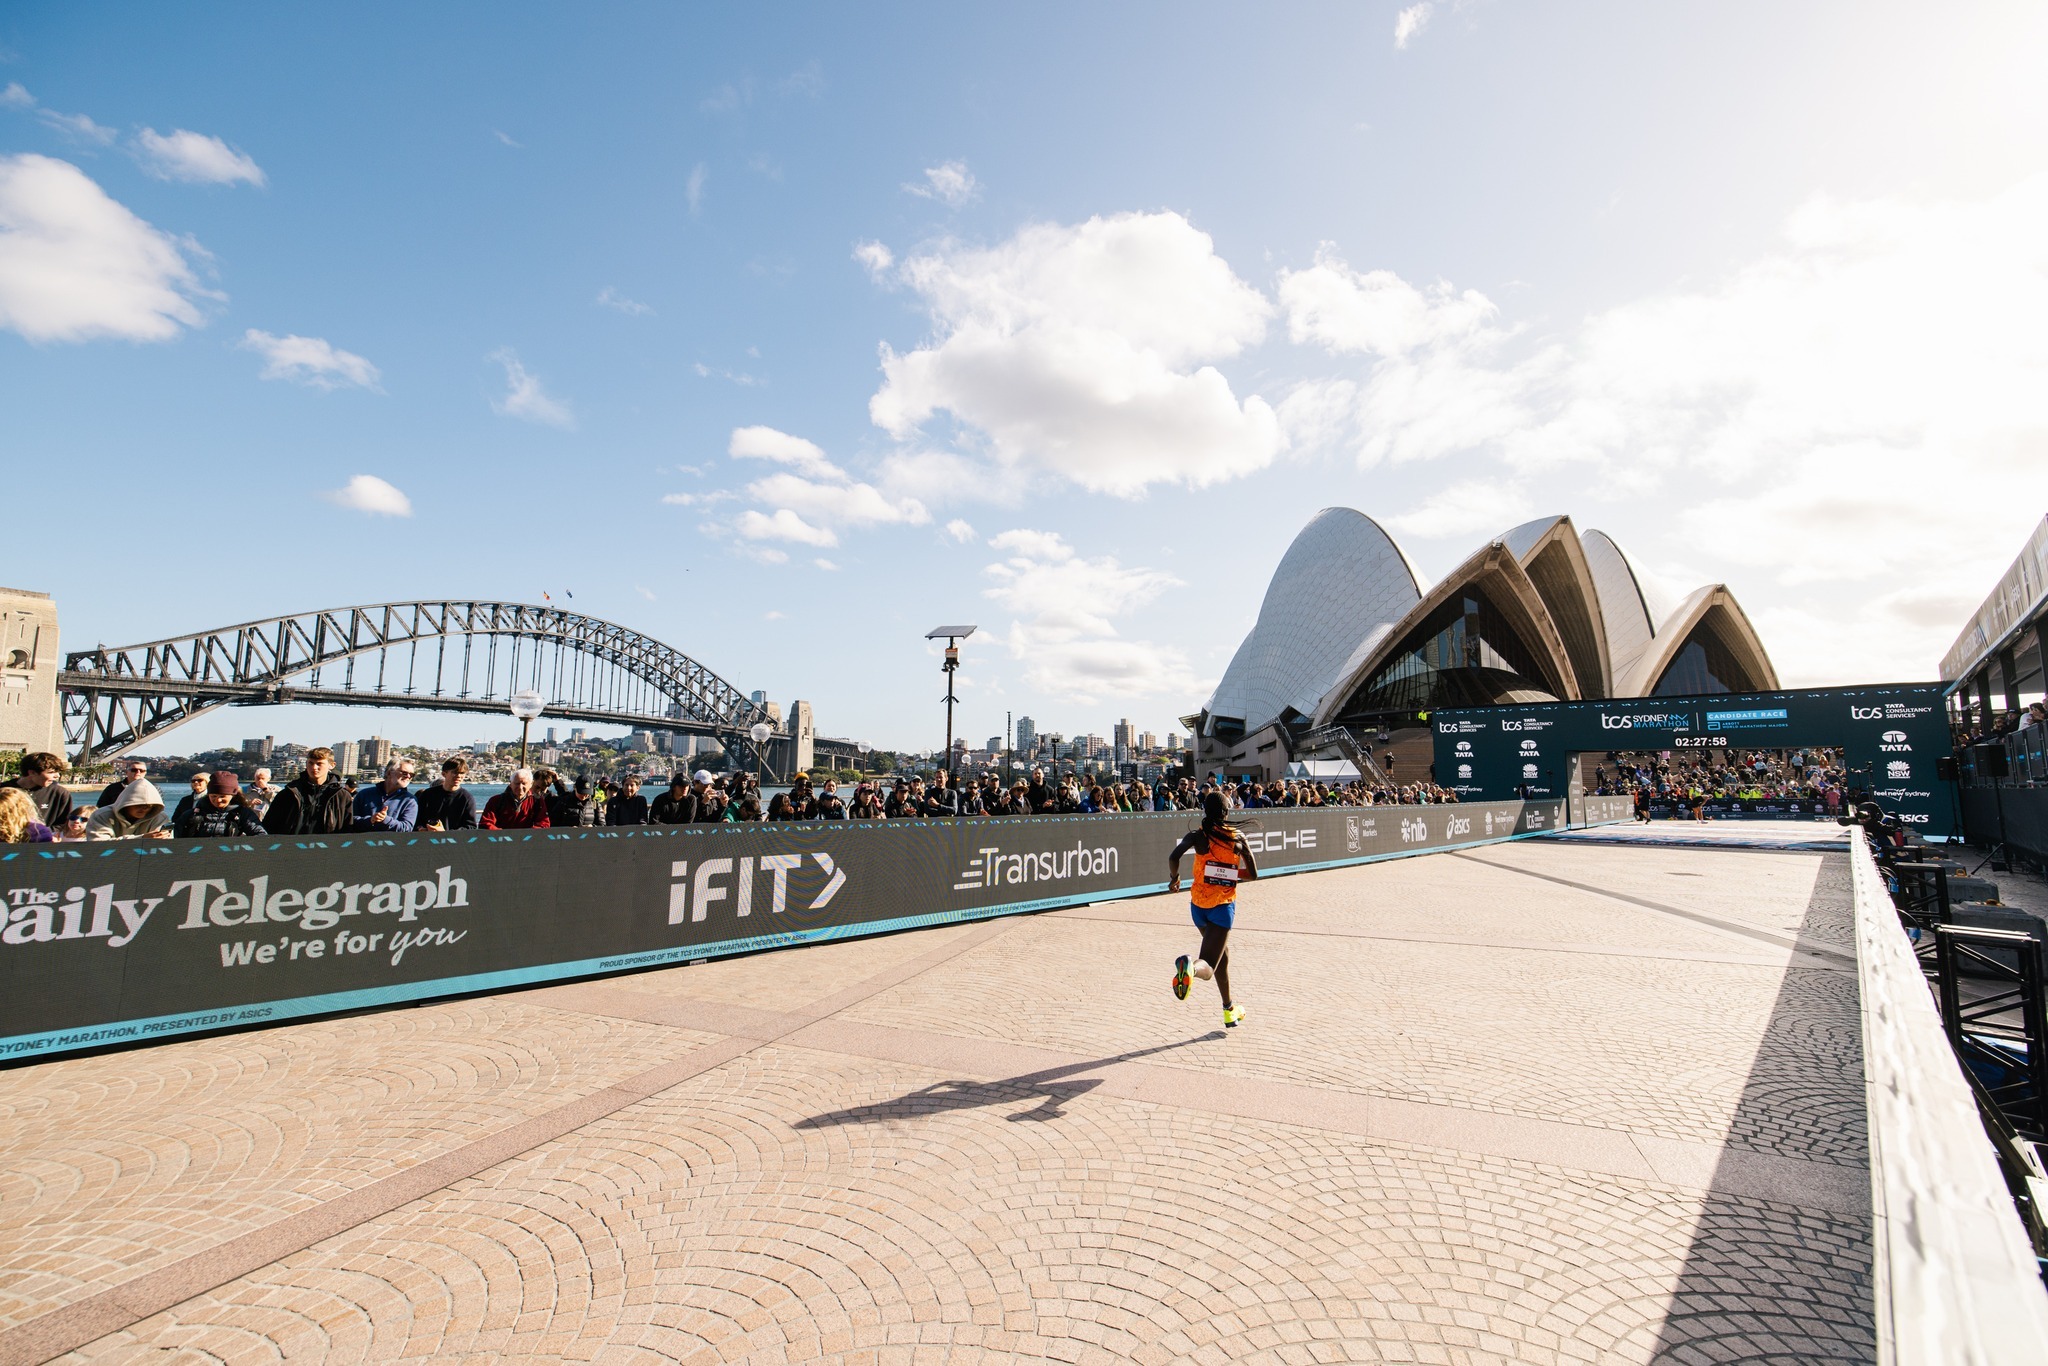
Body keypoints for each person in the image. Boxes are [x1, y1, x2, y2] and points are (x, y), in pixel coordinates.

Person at [1166, 792, 1258, 1028]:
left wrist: (1174, 879)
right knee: (1208, 965)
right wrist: (1228, 874)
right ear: (1226, 813)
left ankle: (1229, 1009)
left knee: (1222, 958)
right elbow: (1253, 874)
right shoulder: (1237, 838)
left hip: (1198, 906)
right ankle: (1191, 968)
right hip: (1222, 907)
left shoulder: (1197, 836)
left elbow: (1174, 856)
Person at [262, 749, 353, 835]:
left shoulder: (342, 796)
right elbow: (269, 825)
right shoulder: (289, 793)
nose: (314, 767)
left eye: (319, 764)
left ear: (332, 765)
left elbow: (347, 828)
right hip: (291, 847)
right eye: (310, 763)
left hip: (328, 848)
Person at [176, 771, 267, 838]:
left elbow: (260, 835)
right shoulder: (192, 813)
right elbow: (177, 837)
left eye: (223, 796)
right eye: (213, 796)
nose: (218, 800)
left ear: (232, 796)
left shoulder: (242, 813)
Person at [87, 777, 172, 840]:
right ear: (126, 803)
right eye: (138, 805)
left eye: (148, 806)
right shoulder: (101, 815)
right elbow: (98, 846)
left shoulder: (160, 818)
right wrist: (142, 839)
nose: (143, 809)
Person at [8, 752, 74, 830]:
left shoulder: (59, 793)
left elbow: (63, 824)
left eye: (58, 772)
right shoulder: (4, 790)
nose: (57, 776)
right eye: (51, 772)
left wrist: (44, 834)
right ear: (32, 772)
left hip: (44, 840)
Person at [351, 759, 419, 832]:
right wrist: (371, 820)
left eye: (412, 775)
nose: (408, 776)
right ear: (389, 773)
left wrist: (386, 820)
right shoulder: (364, 794)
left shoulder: (410, 801)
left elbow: (407, 828)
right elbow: (350, 821)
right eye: (404, 773)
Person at [417, 758, 479, 831]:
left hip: (453, 841)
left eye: (462, 773)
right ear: (444, 774)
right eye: (455, 772)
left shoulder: (467, 798)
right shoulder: (428, 794)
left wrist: (446, 833)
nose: (458, 776)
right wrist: (420, 828)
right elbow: (417, 818)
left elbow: (471, 827)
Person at [480, 769, 551, 829]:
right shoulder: (496, 801)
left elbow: (544, 824)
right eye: (517, 783)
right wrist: (503, 835)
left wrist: (528, 834)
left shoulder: (537, 801)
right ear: (511, 784)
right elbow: (486, 823)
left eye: (524, 783)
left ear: (530, 784)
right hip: (500, 842)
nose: (520, 787)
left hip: (527, 842)